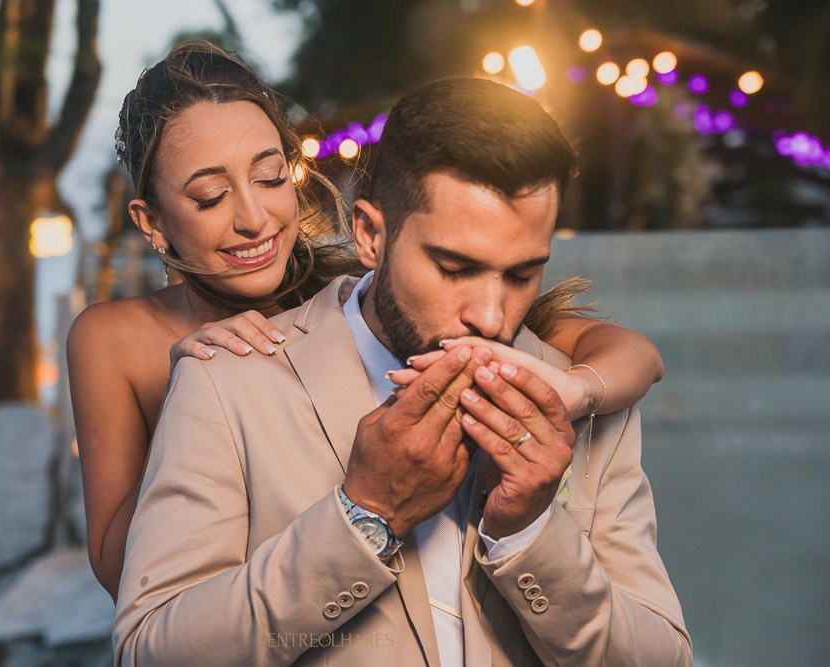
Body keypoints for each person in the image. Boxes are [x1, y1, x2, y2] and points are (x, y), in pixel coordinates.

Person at [113, 76, 692, 665]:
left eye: (521, 275)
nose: (491, 318)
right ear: (369, 234)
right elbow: (151, 653)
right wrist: (365, 516)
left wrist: (532, 531)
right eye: (453, 268)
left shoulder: (582, 399)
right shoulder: (226, 381)